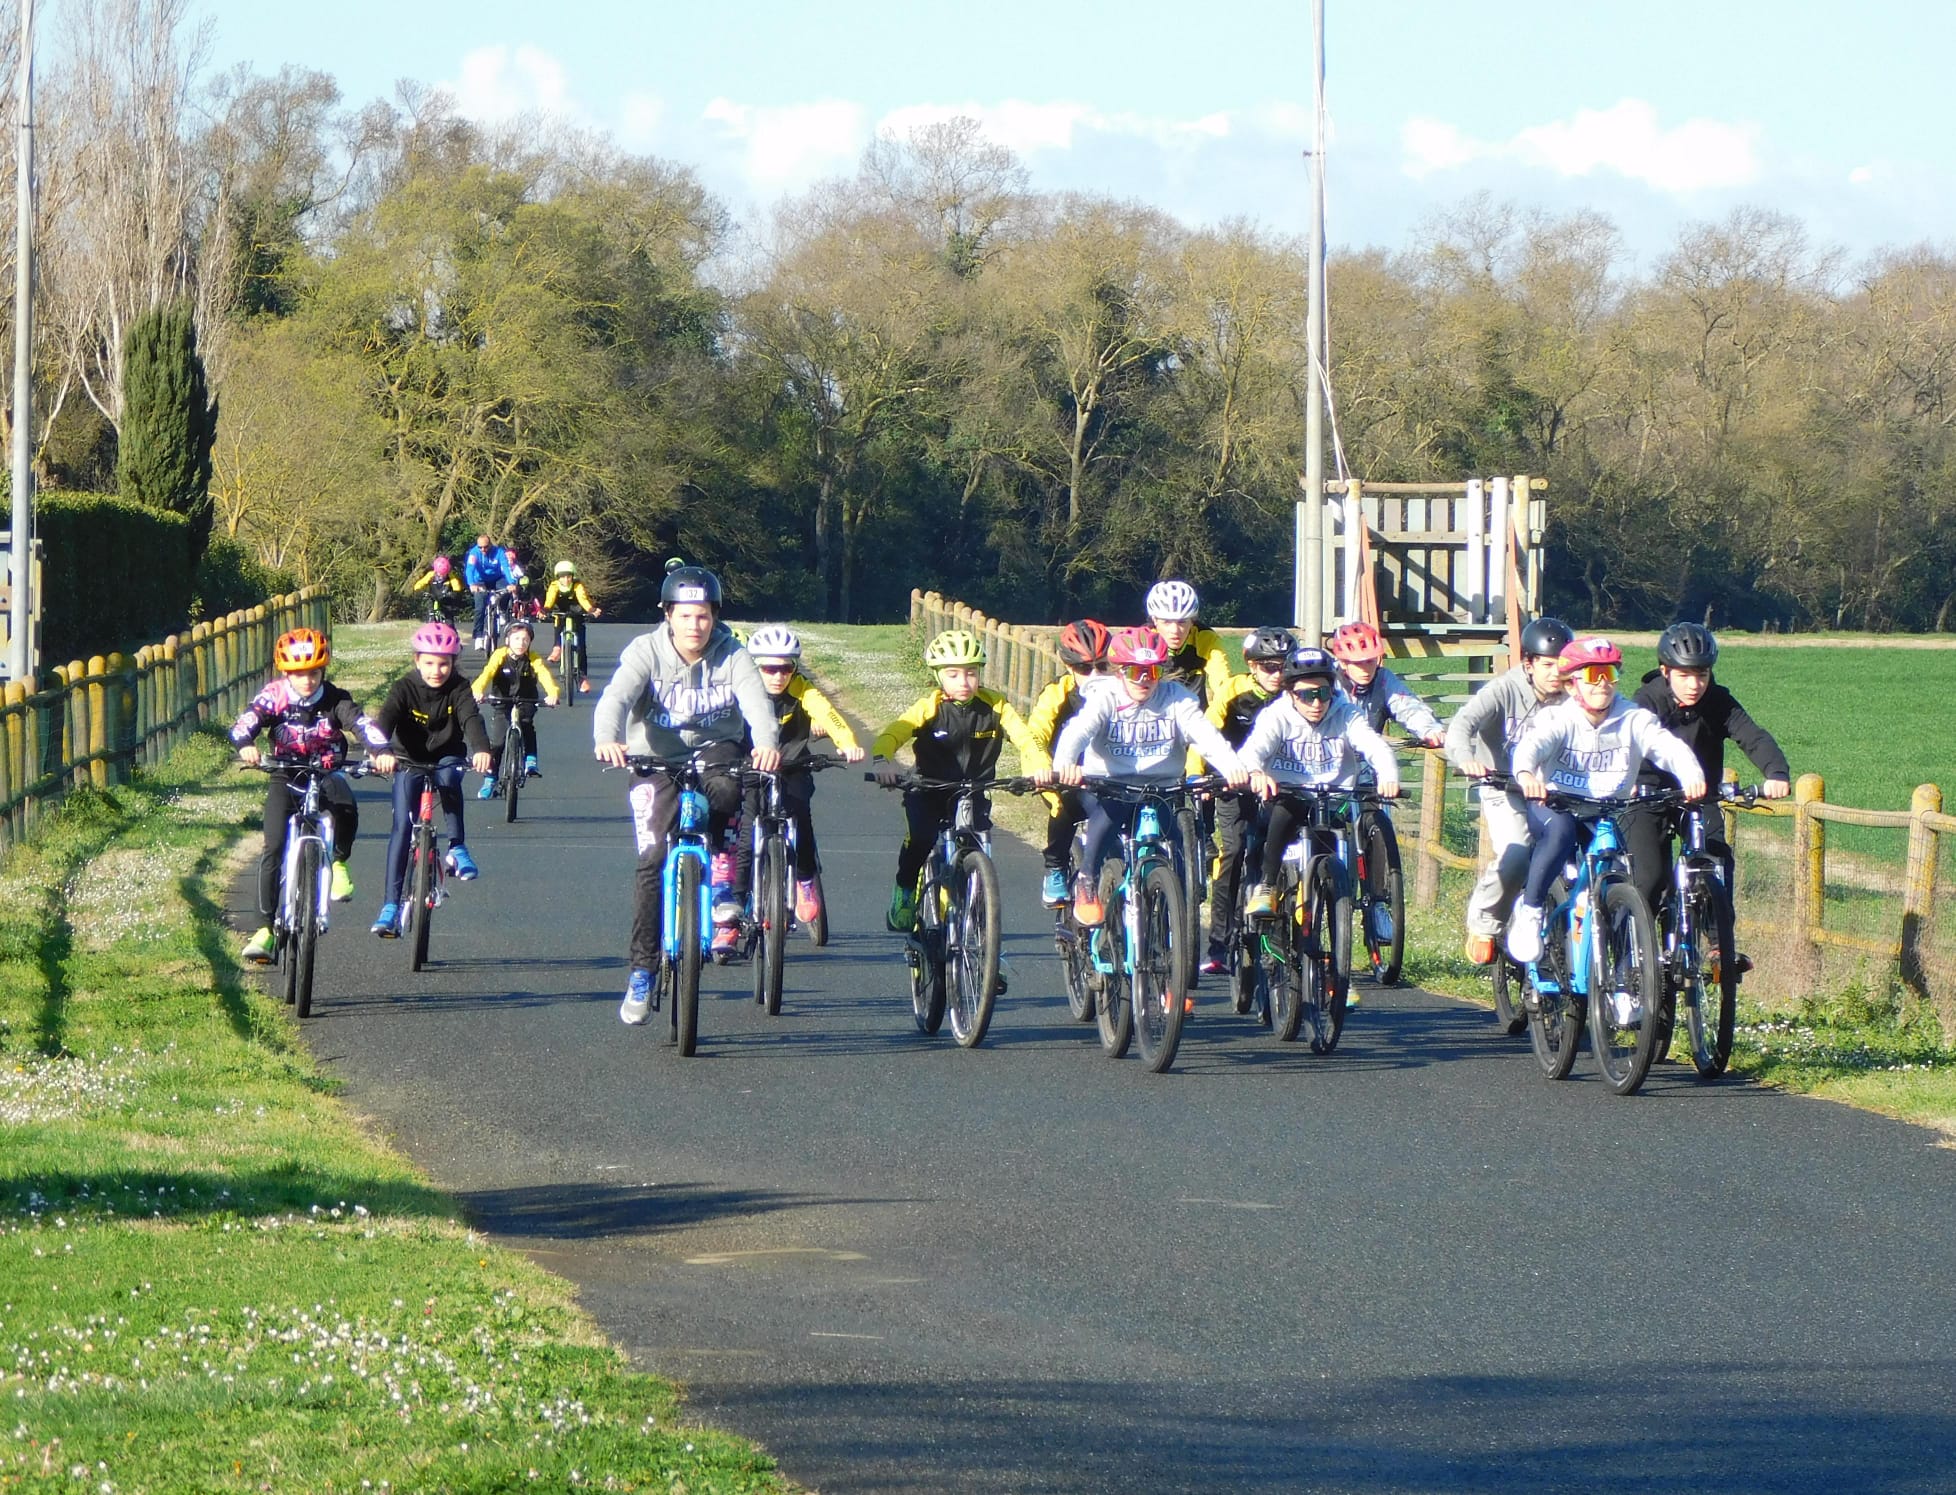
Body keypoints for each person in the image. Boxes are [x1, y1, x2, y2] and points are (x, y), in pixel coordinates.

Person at [595, 564, 781, 1024]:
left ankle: (720, 875)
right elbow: (616, 697)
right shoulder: (646, 651)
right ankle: (641, 971)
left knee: (725, 788)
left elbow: (757, 705)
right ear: (668, 615)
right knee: (652, 859)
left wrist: (767, 745)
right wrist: (608, 737)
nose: (695, 626)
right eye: (685, 616)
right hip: (655, 757)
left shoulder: (732, 654)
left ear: (715, 616)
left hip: (715, 749)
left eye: (703, 616)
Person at [1506, 636, 1706, 964]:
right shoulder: (1559, 719)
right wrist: (1527, 774)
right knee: (1560, 834)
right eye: (1592, 675)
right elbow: (1533, 746)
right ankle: (1530, 910)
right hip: (1557, 804)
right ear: (1571, 685)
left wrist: (1691, 774)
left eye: (1609, 674)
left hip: (1606, 809)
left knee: (1624, 883)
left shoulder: (1632, 718)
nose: (1602, 684)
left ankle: (1626, 977)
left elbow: (1665, 746)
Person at [1051, 627, 1248, 932]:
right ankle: (1087, 882)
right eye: (1134, 671)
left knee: (1179, 841)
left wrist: (1231, 767)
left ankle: (1175, 910)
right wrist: (1064, 764)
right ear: (1118, 672)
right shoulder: (1105, 697)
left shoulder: (1176, 699)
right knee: (1106, 816)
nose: (1143, 680)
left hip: (1162, 786)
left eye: (1152, 671)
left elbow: (1205, 735)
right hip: (1110, 783)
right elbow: (1078, 732)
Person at [870, 629, 1049, 936]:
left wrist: (1040, 766)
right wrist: (882, 760)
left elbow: (1027, 739)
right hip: (928, 790)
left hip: (973, 792)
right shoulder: (931, 706)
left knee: (977, 866)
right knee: (922, 838)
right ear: (939, 676)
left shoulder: (996, 706)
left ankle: (986, 953)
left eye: (971, 673)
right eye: (953, 675)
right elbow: (893, 733)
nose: (963, 682)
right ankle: (903, 890)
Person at [230, 627, 390, 964]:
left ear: (323, 670)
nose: (307, 680)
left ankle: (340, 863)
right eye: (299, 674)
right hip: (285, 774)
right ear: (286, 672)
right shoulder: (274, 696)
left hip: (325, 771)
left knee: (346, 806)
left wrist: (379, 749)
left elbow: (361, 723)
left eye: (313, 673)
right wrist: (246, 745)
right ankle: (265, 930)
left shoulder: (335, 698)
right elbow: (247, 721)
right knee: (272, 846)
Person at [1624, 620, 1790, 924]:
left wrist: (1776, 772)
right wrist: (1625, 781)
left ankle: (1717, 948)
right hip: (1647, 795)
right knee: (1649, 879)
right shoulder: (1647, 700)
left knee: (1717, 859)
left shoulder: (1718, 701)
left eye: (1702, 675)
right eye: (1684, 675)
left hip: (1699, 795)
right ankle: (1636, 958)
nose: (1694, 685)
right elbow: (1627, 743)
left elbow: (1752, 736)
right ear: (1665, 671)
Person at [1443, 615, 1575, 965]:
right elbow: (1462, 724)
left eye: (1562, 665)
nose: (1556, 674)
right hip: (1502, 785)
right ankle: (1486, 921)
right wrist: (1467, 758)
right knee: (1517, 852)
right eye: (1547, 665)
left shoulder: (1574, 695)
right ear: (1528, 664)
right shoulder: (1503, 690)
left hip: (1553, 790)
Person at [1238, 646, 1400, 922]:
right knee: (1283, 811)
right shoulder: (1276, 716)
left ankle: (1336, 923)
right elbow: (1251, 751)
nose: (1316, 703)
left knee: (1332, 855)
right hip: (1288, 794)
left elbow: (1374, 746)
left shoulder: (1347, 713)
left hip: (1331, 799)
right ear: (1290, 693)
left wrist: (1387, 775)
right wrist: (1256, 772)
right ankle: (1267, 884)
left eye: (1323, 693)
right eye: (1307, 695)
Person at [730, 624, 866, 940]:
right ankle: (735, 902)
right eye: (769, 668)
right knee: (746, 827)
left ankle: (805, 880)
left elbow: (829, 715)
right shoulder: (743, 691)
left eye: (786, 668)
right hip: (751, 768)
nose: (778, 675)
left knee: (800, 816)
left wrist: (846, 742)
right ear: (755, 666)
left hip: (793, 766)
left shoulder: (803, 690)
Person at [369, 621, 495, 936]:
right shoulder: (404, 687)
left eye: (443, 663)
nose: (436, 670)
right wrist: (378, 750)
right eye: (429, 663)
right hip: (407, 759)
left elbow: (471, 718)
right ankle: (390, 905)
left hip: (446, 756)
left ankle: (457, 846)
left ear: (453, 663)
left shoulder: (459, 687)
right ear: (417, 661)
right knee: (401, 827)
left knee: (450, 779)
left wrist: (481, 749)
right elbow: (384, 720)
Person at [1197, 625, 1295, 973]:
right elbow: (1206, 732)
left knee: (1283, 852)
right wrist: (1199, 775)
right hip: (1232, 782)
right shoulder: (1233, 690)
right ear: (1251, 666)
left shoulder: (1295, 696)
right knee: (1234, 851)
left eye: (1283, 665)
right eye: (1268, 666)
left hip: (1279, 786)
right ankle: (1219, 945)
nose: (1277, 673)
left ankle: (1288, 936)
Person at [1027, 619, 1116, 907]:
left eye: (1102, 666)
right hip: (1066, 776)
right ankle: (1055, 867)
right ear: (1068, 666)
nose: (1093, 675)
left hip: (1113, 776)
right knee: (1062, 805)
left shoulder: (1123, 691)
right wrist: (1042, 768)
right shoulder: (1057, 693)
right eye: (1083, 668)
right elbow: (1035, 735)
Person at [471, 618, 559, 798]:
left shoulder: (533, 658)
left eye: (525, 640)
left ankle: (531, 760)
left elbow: (544, 675)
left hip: (526, 699)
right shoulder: (499, 655)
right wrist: (478, 690)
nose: (521, 643)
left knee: (526, 724)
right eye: (517, 639)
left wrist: (552, 693)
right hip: (502, 700)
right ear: (508, 640)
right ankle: (490, 779)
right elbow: (487, 673)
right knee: (498, 742)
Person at [1325, 621, 1445, 747]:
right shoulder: (1328, 681)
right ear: (1343, 663)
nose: (1365, 669)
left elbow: (1408, 707)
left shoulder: (1383, 679)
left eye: (1370, 661)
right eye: (1358, 663)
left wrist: (1430, 730)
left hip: (1369, 759)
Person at [1145, 579, 1232, 711]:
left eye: (1182, 622)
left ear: (1192, 621)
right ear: (1154, 620)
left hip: (1195, 717)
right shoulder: (1143, 640)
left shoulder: (1205, 638)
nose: (1175, 630)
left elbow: (1222, 683)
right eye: (1166, 622)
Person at [542, 560, 603, 690]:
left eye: (568, 576)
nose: (566, 579)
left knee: (581, 646)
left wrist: (591, 610)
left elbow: (583, 599)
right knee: (558, 622)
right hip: (561, 611)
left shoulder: (577, 585)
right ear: (558, 577)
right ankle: (557, 647)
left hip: (576, 612)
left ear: (572, 576)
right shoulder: (554, 586)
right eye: (563, 576)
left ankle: (582, 678)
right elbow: (550, 600)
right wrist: (544, 610)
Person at [463, 533, 516, 651]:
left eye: (485, 547)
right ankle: (478, 636)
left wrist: (511, 583)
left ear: (490, 545)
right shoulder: (474, 553)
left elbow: (506, 567)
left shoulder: (499, 552)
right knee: (479, 607)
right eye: (480, 547)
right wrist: (471, 584)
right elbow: (470, 569)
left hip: (497, 579)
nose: (483, 550)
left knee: (506, 590)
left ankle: (502, 611)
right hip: (480, 581)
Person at [411, 555, 469, 624]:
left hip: (446, 598)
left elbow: (457, 587)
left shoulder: (451, 576)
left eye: (444, 575)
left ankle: (451, 628)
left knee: (449, 619)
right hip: (433, 597)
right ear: (435, 571)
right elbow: (419, 584)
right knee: (429, 606)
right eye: (439, 574)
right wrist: (419, 590)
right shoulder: (430, 575)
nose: (441, 577)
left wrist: (454, 593)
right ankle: (431, 619)